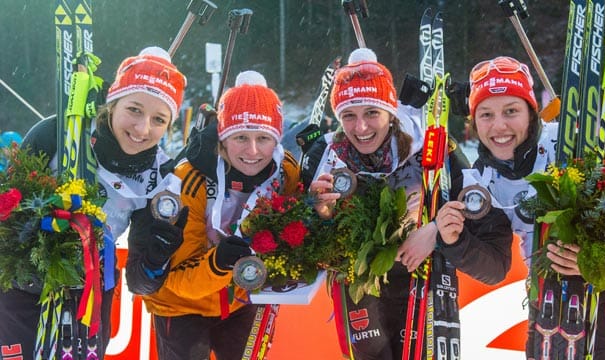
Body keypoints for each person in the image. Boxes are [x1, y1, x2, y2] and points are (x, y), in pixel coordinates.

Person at [302, 48, 514, 360]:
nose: (361, 128)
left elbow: (480, 220)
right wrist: (318, 211)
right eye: (349, 115)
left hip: (424, 280)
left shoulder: (428, 147)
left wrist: (436, 232)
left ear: (391, 112)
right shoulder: (324, 155)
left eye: (372, 113)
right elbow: (297, 238)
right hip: (360, 287)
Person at [0, 46, 186, 360]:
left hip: (91, 292)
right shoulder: (56, 134)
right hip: (24, 288)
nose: (142, 129)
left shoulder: (160, 179)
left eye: (159, 119)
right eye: (135, 110)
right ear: (113, 103)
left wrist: (157, 258)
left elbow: (140, 283)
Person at [465, 55, 605, 358]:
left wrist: (597, 262)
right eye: (486, 114)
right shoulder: (481, 177)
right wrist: (449, 239)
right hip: (546, 296)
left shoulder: (571, 141)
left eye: (511, 111)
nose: (499, 125)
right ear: (474, 121)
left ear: (531, 113)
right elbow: (494, 265)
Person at [125, 70, 300, 360]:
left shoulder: (286, 170)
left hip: (240, 301)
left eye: (264, 138)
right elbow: (176, 279)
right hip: (180, 304)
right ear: (222, 140)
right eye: (241, 137)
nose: (253, 151)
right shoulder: (189, 182)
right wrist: (219, 263)